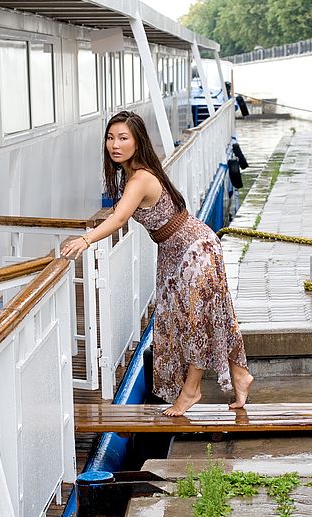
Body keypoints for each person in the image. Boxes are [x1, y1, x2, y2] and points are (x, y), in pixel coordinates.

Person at [61, 111, 254, 416]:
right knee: (213, 312)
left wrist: (85, 240)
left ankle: (191, 391)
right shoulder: (134, 173)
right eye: (110, 138)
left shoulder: (140, 178)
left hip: (195, 250)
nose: (115, 144)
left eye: (123, 138)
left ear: (138, 142)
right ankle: (240, 374)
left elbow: (120, 217)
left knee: (195, 322)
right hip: (174, 251)